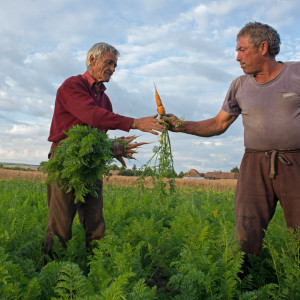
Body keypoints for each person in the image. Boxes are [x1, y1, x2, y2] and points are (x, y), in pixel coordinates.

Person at [169, 22, 300, 268]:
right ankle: (242, 283)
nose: (237, 57)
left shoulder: (296, 74)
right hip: (254, 165)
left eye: (242, 49)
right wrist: (180, 126)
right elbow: (219, 124)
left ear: (263, 47)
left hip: (296, 163)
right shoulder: (239, 85)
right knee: (246, 230)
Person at [43, 42, 164, 255]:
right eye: (109, 63)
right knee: (60, 225)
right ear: (92, 60)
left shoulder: (105, 99)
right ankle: (51, 274)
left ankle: (97, 270)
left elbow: (98, 135)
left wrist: (113, 148)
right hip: (65, 160)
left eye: (115, 65)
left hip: (91, 164)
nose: (113, 69)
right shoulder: (73, 85)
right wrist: (135, 123)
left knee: (95, 222)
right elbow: (92, 115)